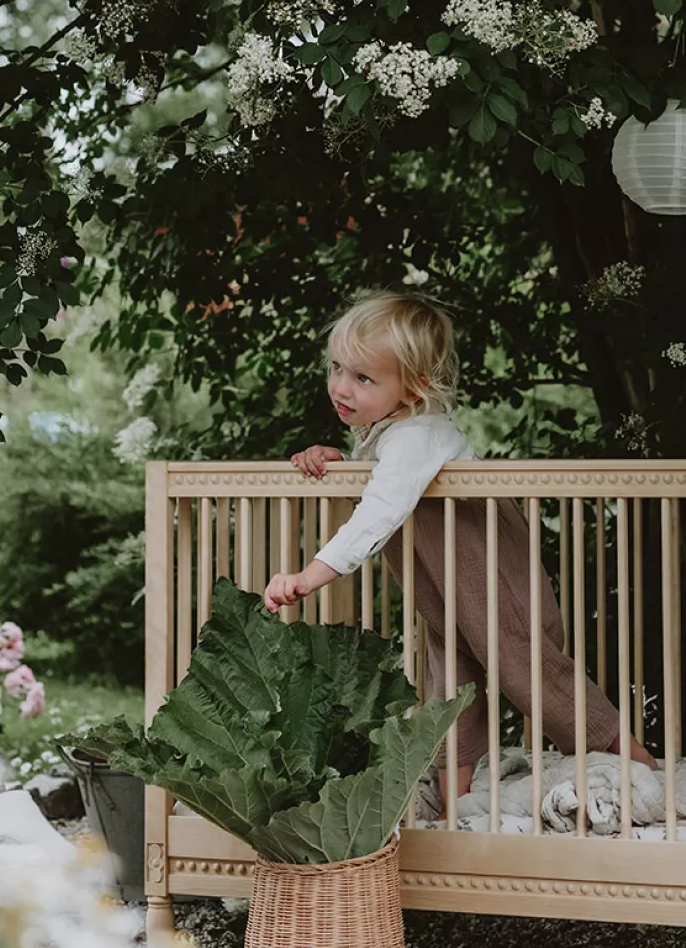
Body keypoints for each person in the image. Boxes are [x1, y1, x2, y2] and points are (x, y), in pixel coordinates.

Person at [263, 290, 657, 795]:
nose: (341, 386)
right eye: (337, 368)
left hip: (485, 568)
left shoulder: (416, 435)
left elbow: (380, 510)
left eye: (363, 378)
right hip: (446, 583)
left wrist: (310, 575)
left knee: (527, 671)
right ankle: (456, 806)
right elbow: (386, 479)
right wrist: (339, 461)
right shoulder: (392, 431)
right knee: (450, 681)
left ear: (415, 389)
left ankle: (642, 770)